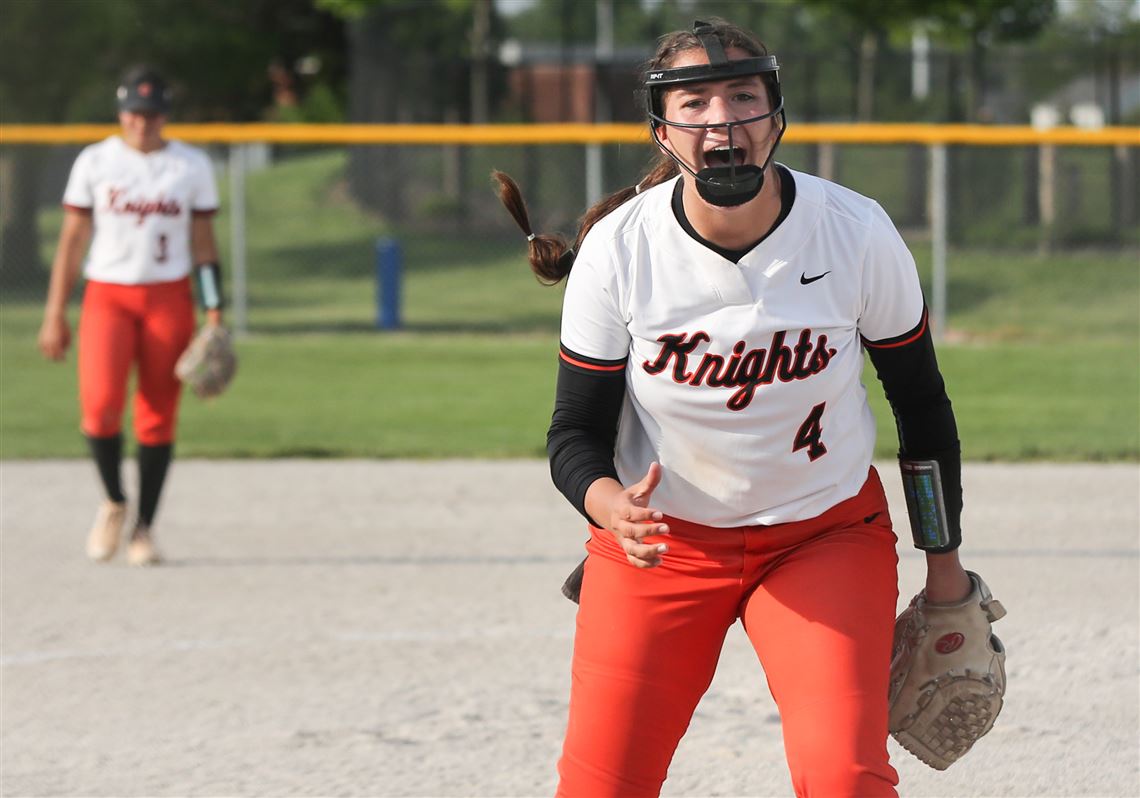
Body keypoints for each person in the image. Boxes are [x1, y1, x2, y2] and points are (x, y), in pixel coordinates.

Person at [493, 18, 975, 798]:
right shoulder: (621, 251)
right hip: (663, 544)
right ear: (662, 130)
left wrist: (945, 569)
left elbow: (922, 408)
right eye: (694, 102)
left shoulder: (853, 232)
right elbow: (573, 434)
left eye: (743, 96)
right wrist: (607, 504)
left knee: (845, 779)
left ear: (776, 116)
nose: (721, 120)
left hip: (823, 535)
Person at [38, 66, 224, 567]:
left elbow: (204, 246)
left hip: (168, 297)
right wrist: (55, 312)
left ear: (165, 116)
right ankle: (115, 502)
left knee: (158, 415)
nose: (143, 123)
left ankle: (145, 529)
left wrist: (214, 311)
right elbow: (72, 241)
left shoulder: (191, 166)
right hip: (108, 296)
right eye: (134, 114)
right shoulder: (96, 161)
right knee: (99, 408)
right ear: (121, 114)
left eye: (153, 113)